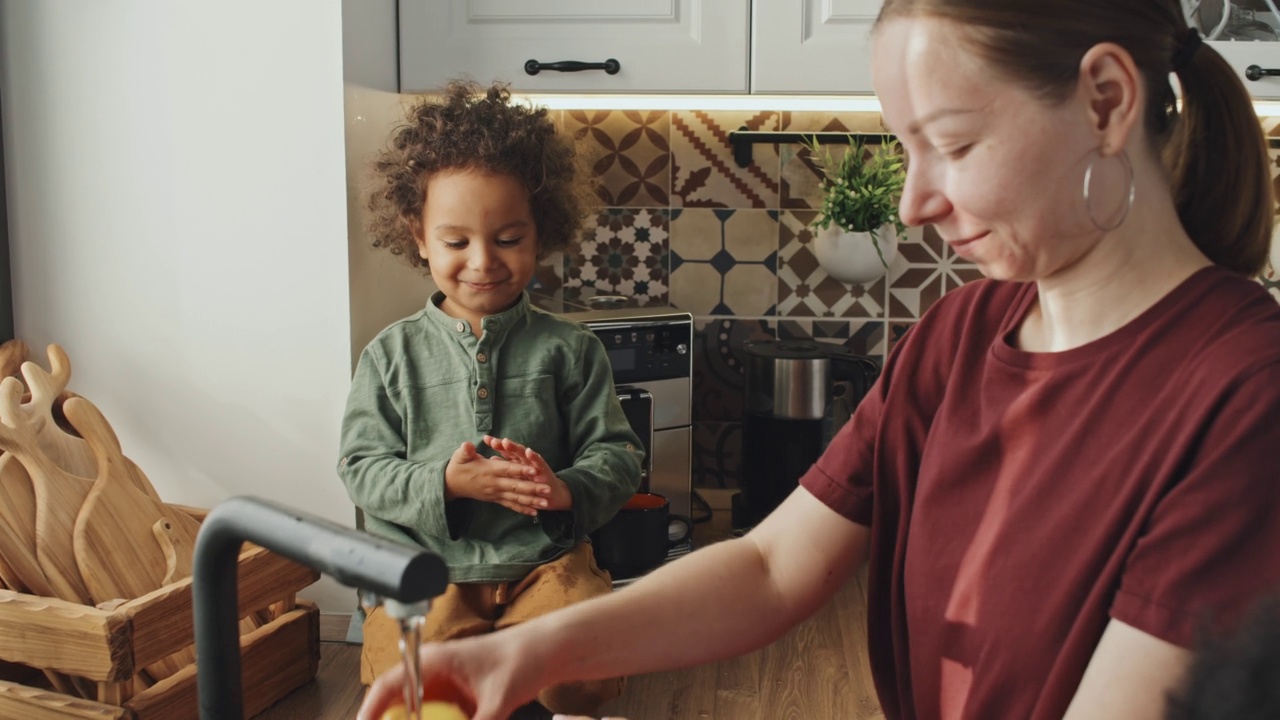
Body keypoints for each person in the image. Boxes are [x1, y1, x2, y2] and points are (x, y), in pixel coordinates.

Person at [358, 2, 1280, 718]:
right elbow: (769, 567)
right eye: (906, 149)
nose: (916, 201)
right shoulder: (957, 340)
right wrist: (529, 652)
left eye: (953, 145)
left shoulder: (1244, 395)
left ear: (1106, 100)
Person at [339, 80, 645, 718]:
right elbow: (362, 469)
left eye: (508, 239)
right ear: (418, 236)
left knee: (585, 647)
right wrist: (444, 483)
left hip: (544, 565)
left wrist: (564, 489)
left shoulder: (570, 350)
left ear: (541, 233)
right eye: (456, 242)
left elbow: (618, 455)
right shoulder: (388, 357)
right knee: (416, 690)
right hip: (427, 574)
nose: (483, 261)